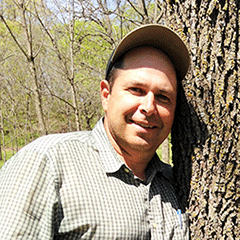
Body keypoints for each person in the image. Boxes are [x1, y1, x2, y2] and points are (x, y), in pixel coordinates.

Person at [0, 24, 190, 239]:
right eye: (136, 89)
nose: (148, 106)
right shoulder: (48, 162)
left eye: (163, 97)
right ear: (106, 95)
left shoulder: (176, 183)